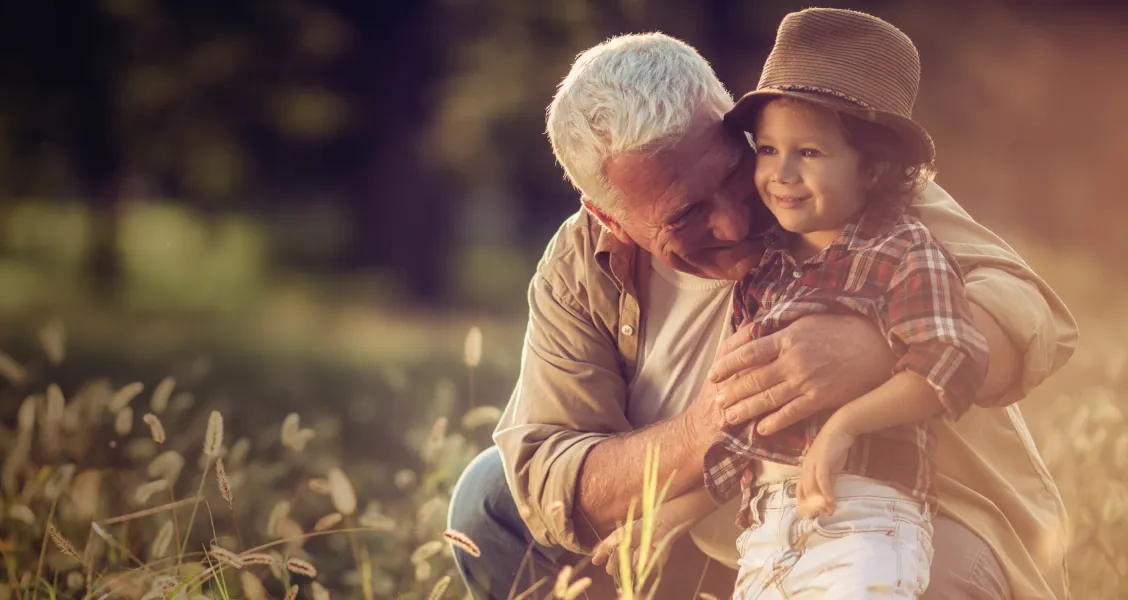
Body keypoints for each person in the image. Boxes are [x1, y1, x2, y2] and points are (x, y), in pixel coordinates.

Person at [446, 14, 1078, 600]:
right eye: (686, 214)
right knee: (489, 499)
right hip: (734, 537)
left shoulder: (850, 195)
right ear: (608, 216)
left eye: (731, 170)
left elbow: (1032, 314)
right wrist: (704, 430)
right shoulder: (579, 268)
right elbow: (544, 471)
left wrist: (877, 349)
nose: (732, 220)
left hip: (901, 513)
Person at [592, 9, 998, 598]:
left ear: (873, 165)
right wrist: (679, 511)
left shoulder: (904, 250)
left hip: (866, 517)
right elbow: (753, 432)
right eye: (768, 150)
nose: (780, 174)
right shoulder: (768, 272)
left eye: (808, 153)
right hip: (765, 531)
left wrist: (844, 426)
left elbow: (952, 359)